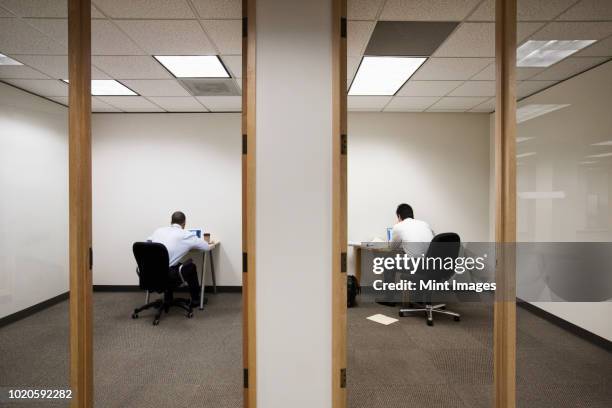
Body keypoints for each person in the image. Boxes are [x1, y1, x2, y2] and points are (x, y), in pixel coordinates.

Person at [148, 211, 210, 306]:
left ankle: (168, 298)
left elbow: (147, 243)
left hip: (151, 273)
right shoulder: (186, 234)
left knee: (173, 263)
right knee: (191, 267)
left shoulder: (158, 231)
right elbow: (206, 247)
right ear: (184, 223)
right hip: (168, 276)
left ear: (171, 221)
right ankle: (196, 300)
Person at [378, 203, 434, 307]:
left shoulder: (398, 226)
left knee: (388, 262)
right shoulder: (425, 224)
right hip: (432, 263)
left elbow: (392, 247)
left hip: (416, 263)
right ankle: (419, 298)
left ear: (399, 216)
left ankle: (389, 298)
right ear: (412, 215)